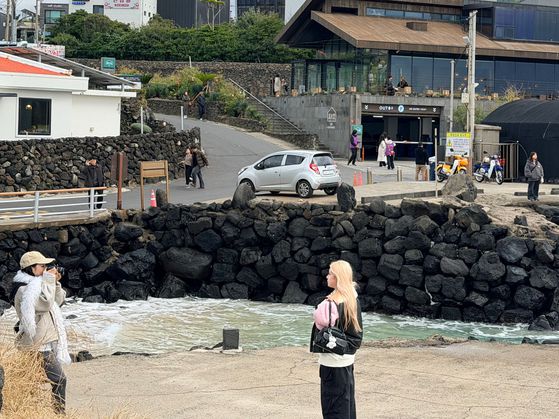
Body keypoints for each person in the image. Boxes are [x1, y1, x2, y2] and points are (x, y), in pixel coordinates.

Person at [10, 251, 70, 414]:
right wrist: (49, 280)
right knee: (59, 379)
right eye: (42, 266)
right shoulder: (24, 290)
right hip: (37, 344)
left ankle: (27, 411)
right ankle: (59, 414)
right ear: (31, 268)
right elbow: (44, 305)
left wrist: (55, 283)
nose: (45, 269)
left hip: (45, 340)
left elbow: (58, 301)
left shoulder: (39, 284)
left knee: (29, 381)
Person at [310, 260, 363, 419]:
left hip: (332, 361)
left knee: (333, 408)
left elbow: (320, 323)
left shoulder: (331, 303)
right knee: (346, 405)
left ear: (338, 277)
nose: (327, 276)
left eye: (330, 274)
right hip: (346, 360)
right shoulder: (352, 297)